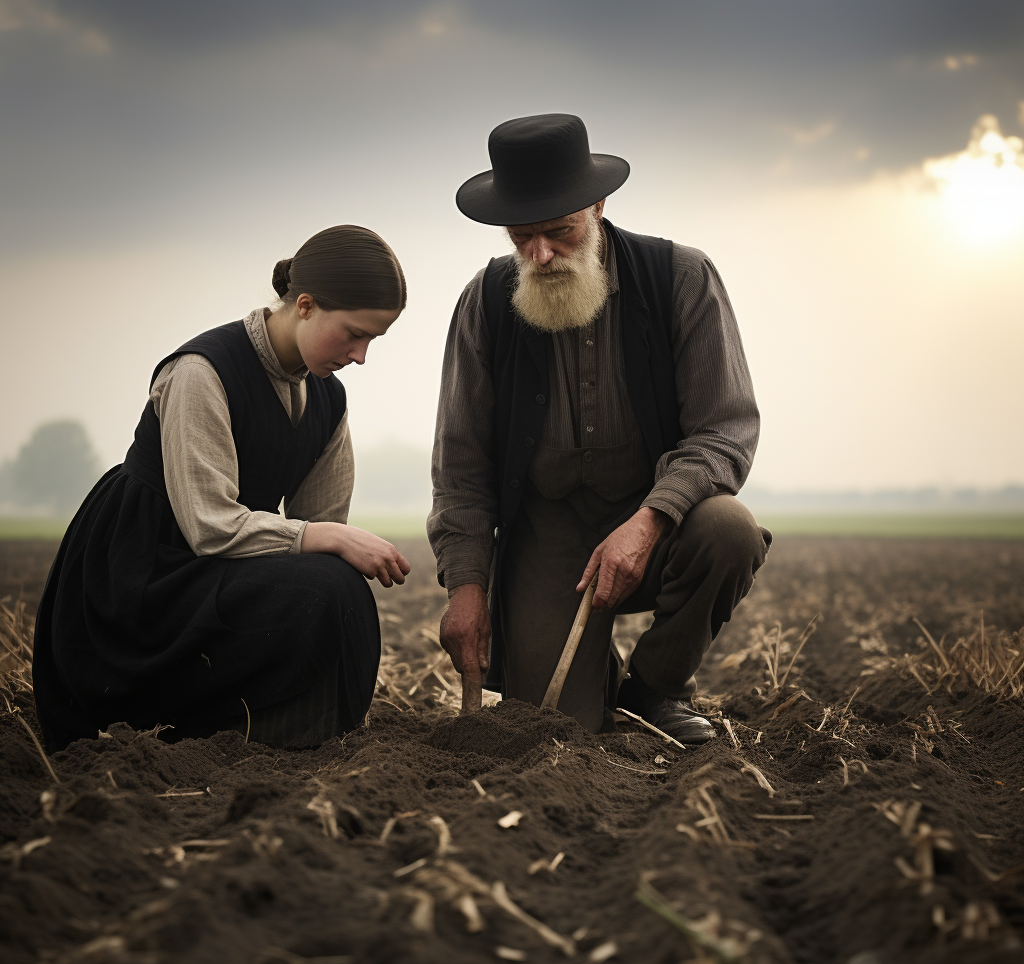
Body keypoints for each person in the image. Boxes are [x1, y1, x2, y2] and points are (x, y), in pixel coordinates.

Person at [429, 113, 771, 744]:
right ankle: (594, 677)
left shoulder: (681, 277)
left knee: (729, 531)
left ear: (597, 204)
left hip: (657, 518)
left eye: (558, 232)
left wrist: (649, 521)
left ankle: (656, 689)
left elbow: (725, 430)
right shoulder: (486, 301)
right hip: (547, 529)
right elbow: (461, 465)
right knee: (553, 729)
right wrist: (467, 588)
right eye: (522, 236)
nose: (539, 254)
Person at [34, 225, 412, 751]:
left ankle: (306, 742)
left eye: (373, 339)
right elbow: (209, 526)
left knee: (335, 586)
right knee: (326, 584)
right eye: (353, 333)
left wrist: (333, 543)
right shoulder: (201, 372)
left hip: (220, 565)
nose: (361, 355)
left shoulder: (329, 401)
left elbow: (323, 528)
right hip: (146, 572)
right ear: (304, 305)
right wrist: (327, 540)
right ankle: (209, 734)